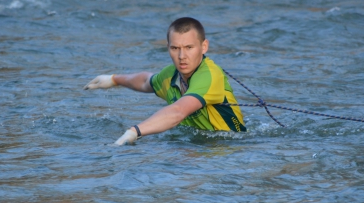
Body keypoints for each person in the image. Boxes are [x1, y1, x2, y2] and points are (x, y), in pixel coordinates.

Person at [84, 17, 246, 145]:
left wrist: (135, 131)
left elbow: (178, 111)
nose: (182, 56)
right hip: (197, 146)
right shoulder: (171, 74)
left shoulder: (209, 75)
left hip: (229, 148)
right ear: (168, 47)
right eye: (175, 48)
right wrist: (114, 79)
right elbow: (145, 81)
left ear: (204, 47)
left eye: (189, 47)